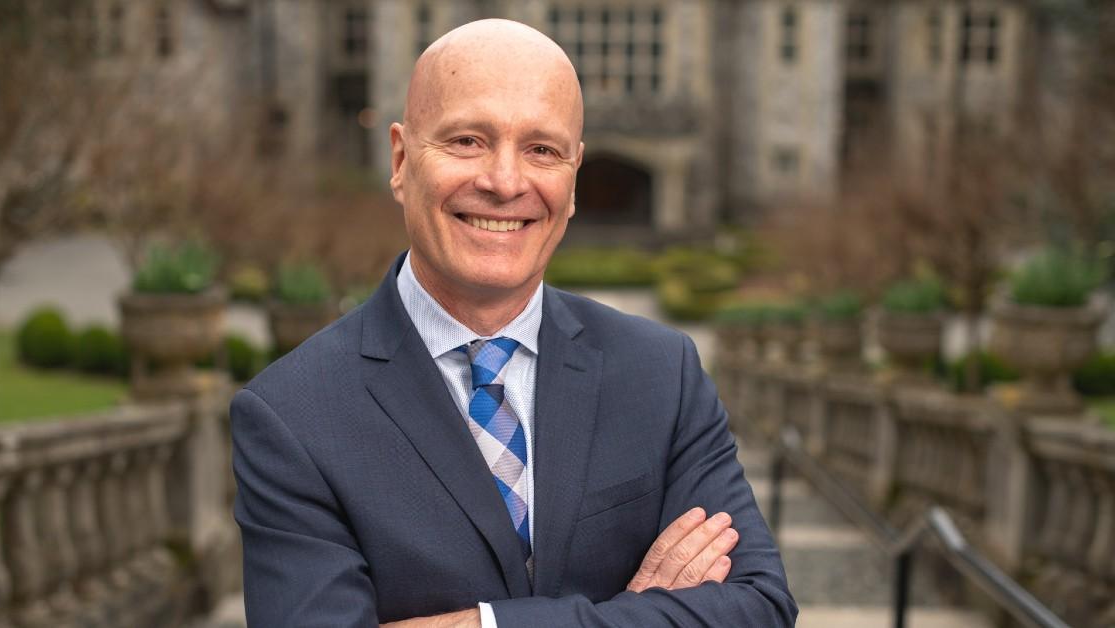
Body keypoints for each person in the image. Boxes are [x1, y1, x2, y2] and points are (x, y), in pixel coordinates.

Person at [231, 18, 797, 628]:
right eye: (467, 141)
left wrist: (483, 624)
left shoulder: (662, 372)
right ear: (400, 159)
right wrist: (635, 615)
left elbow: (759, 608)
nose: (504, 182)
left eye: (542, 150)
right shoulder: (291, 414)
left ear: (573, 179)